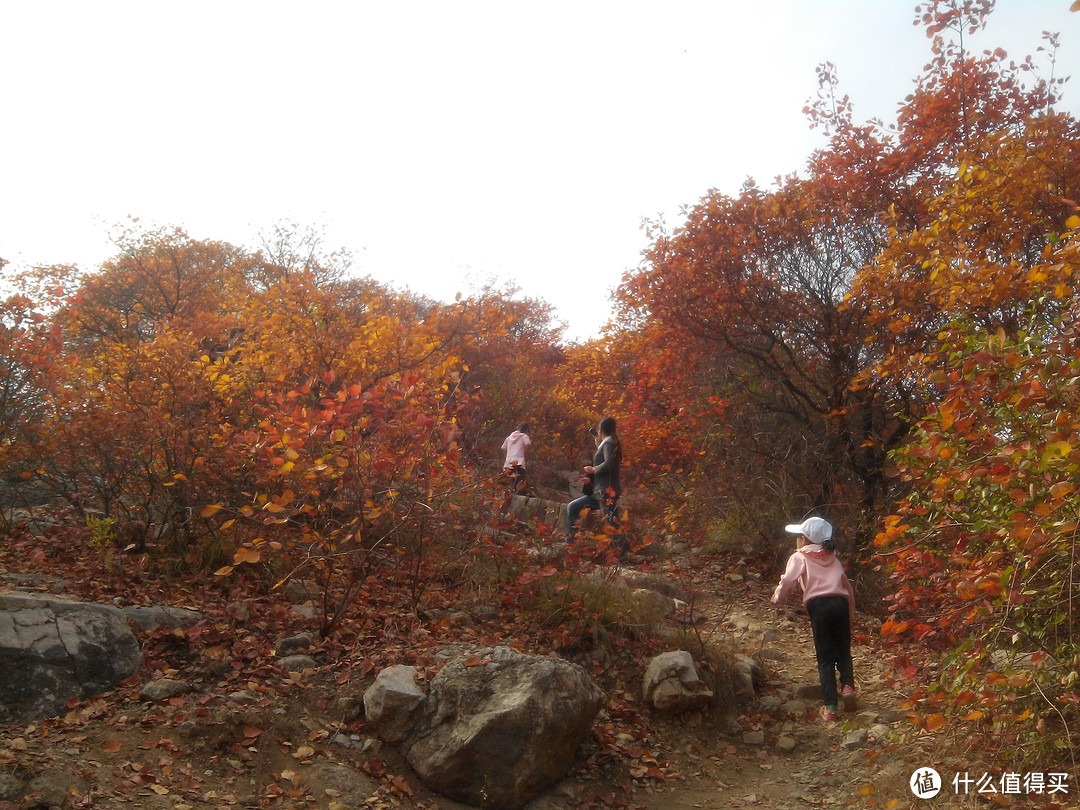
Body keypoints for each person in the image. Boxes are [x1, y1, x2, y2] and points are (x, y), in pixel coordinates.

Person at [771, 516, 856, 722]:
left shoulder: (799, 556)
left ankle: (831, 707)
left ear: (804, 539)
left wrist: (778, 599)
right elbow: (847, 587)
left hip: (820, 606)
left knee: (825, 657)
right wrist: (850, 613)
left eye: (799, 536)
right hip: (840, 604)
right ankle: (848, 688)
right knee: (843, 650)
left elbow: (789, 580)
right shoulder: (833, 557)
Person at [566, 417, 623, 556]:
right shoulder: (608, 443)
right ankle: (571, 546)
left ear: (601, 429)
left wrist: (593, 470)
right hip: (598, 492)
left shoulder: (609, 443)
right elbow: (607, 459)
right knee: (572, 507)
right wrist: (599, 444)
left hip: (606, 491)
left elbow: (609, 463)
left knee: (611, 524)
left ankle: (622, 558)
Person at [501, 422, 532, 493]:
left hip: (508, 463)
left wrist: (507, 456)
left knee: (509, 482)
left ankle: (508, 495)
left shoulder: (508, 438)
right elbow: (528, 444)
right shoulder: (524, 436)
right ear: (526, 430)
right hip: (519, 462)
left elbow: (503, 448)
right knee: (520, 482)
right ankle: (517, 496)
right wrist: (525, 454)